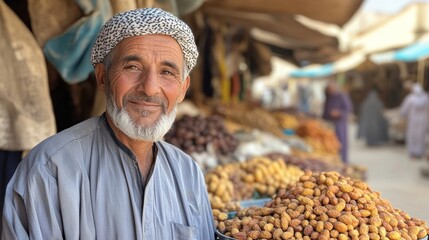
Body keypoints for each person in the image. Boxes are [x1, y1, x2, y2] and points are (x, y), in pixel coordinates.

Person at [2, 8, 215, 239]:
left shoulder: (188, 173)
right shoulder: (49, 170)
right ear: (102, 77)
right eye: (133, 67)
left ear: (183, 89)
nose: (150, 88)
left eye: (167, 72)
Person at [323, 81, 353, 163]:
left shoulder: (342, 96)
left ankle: (344, 161)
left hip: (340, 123)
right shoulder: (328, 97)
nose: (330, 91)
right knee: (331, 143)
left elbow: (348, 109)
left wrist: (339, 113)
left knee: (342, 142)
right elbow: (325, 110)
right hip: (330, 123)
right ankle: (335, 160)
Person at [400, 82, 429, 159]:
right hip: (423, 121)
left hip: (413, 121)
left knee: (412, 137)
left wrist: (403, 117)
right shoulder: (426, 98)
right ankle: (420, 153)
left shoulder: (409, 99)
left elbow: (403, 111)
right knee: (421, 137)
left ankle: (413, 153)